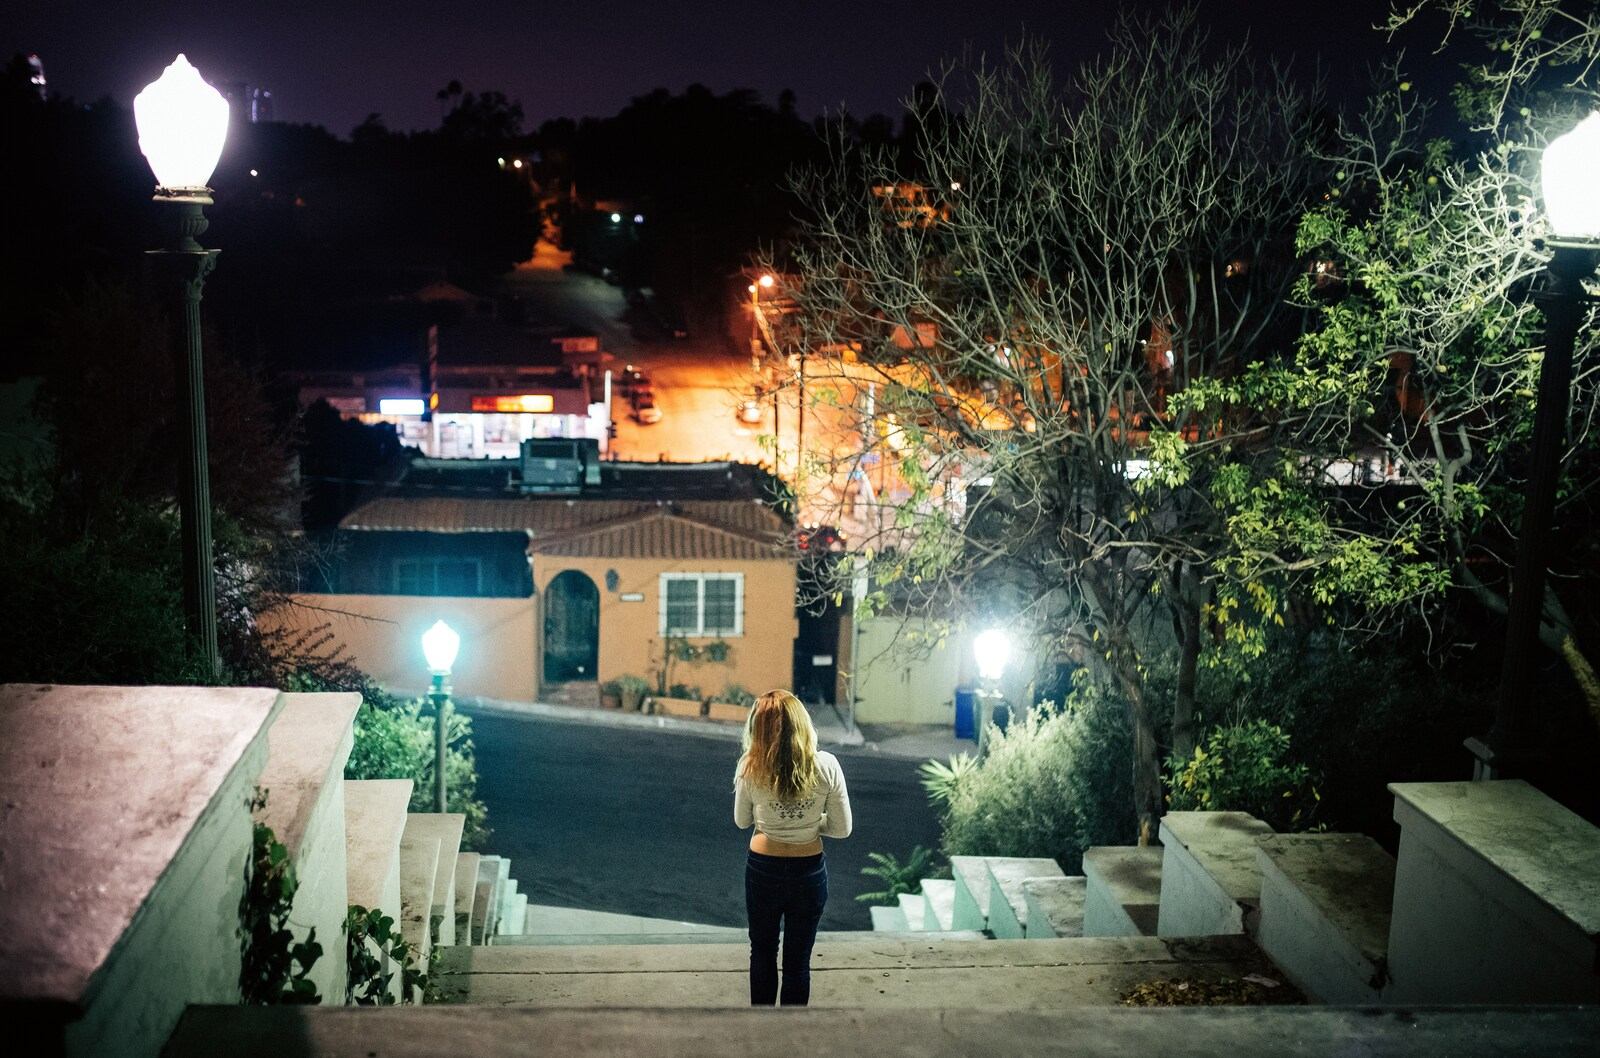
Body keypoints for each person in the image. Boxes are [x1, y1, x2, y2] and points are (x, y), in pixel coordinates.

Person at [733, 689, 853, 1006]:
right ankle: (791, 1039)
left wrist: (772, 820)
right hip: (808, 872)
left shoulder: (750, 766)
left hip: (762, 870)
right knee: (798, 962)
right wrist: (811, 824)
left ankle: (762, 1031)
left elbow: (742, 821)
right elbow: (842, 829)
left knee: (762, 949)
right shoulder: (827, 766)